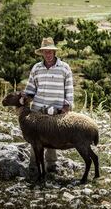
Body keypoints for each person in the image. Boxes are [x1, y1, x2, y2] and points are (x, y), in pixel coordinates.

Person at [23, 37, 74, 174]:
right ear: (42, 53)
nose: (48, 54)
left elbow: (69, 89)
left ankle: (51, 164)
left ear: (54, 52)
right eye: (45, 52)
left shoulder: (64, 68)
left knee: (51, 136)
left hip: (55, 110)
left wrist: (67, 105)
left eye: (50, 51)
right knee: (36, 139)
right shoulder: (36, 68)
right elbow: (30, 88)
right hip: (38, 110)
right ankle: (34, 165)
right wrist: (26, 97)